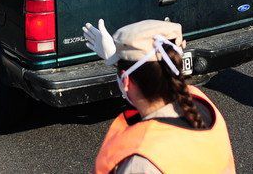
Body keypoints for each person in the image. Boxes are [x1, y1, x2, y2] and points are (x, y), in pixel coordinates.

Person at [84, 19, 236, 174]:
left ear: (126, 81)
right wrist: (118, 60)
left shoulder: (142, 162)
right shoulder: (201, 104)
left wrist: (119, 58)